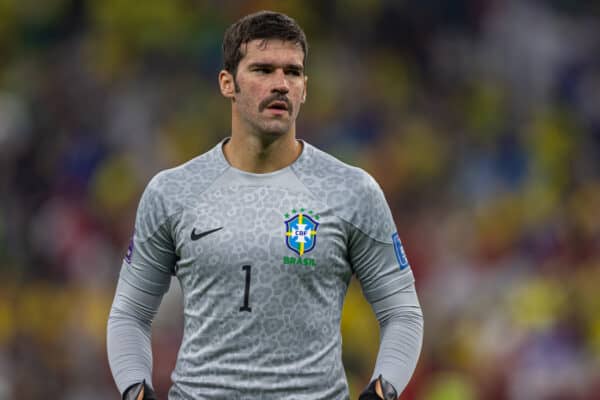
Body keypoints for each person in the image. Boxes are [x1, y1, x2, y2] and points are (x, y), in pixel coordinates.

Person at [107, 10, 423, 400]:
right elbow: (129, 314)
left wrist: (383, 389)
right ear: (228, 83)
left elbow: (402, 311)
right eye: (263, 70)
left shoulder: (351, 190)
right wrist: (135, 388)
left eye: (292, 72)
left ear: (305, 88)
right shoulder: (172, 191)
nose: (280, 84)